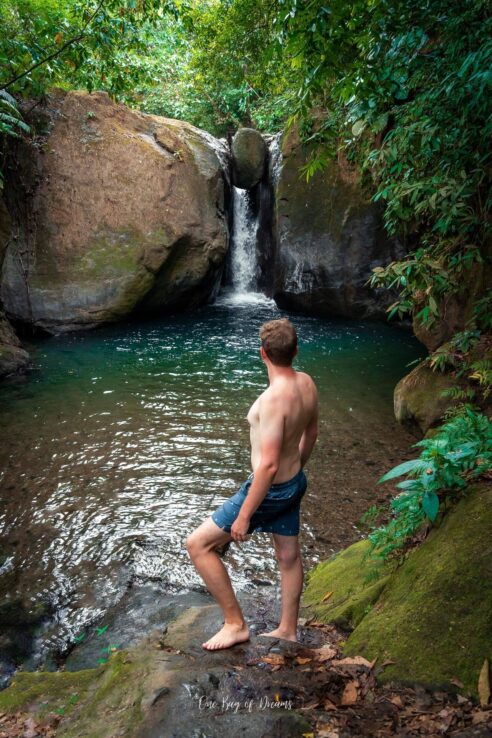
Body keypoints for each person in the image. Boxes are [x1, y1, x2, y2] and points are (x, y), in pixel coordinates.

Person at [186, 318, 319, 651]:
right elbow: (311, 433)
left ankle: (235, 624)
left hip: (268, 491)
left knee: (198, 545)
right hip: (292, 483)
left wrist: (245, 515)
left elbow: (269, 465)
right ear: (296, 351)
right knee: (288, 556)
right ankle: (287, 629)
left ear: (262, 354)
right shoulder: (306, 383)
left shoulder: (275, 399)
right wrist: (297, 470)